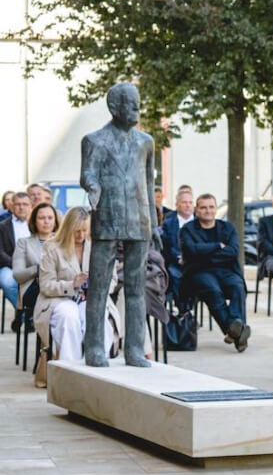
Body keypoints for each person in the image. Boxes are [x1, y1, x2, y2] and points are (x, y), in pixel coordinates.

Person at [80, 82, 160, 368]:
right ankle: (95, 348)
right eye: (132, 104)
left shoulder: (146, 142)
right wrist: (92, 187)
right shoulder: (95, 140)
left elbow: (149, 184)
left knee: (137, 288)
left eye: (139, 102)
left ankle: (135, 349)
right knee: (99, 287)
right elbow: (87, 173)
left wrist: (154, 221)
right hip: (107, 217)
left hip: (139, 220)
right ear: (114, 108)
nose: (138, 109)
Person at [34, 207, 120, 361]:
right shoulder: (52, 247)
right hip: (59, 300)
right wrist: (72, 284)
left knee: (95, 318)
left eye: (84, 230)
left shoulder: (98, 246)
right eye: (76, 231)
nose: (81, 235)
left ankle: (97, 366)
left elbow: (112, 280)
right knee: (69, 318)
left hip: (91, 298)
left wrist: (98, 286)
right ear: (68, 228)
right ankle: (70, 369)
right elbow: (46, 285)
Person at [180, 194, 250, 351]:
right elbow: (191, 251)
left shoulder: (227, 228)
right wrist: (218, 246)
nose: (207, 211)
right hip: (199, 272)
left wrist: (204, 254)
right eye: (203, 207)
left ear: (216, 209)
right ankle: (237, 333)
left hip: (227, 270)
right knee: (213, 290)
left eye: (211, 207)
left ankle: (234, 330)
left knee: (237, 286)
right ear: (196, 210)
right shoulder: (188, 230)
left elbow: (233, 251)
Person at [13, 202, 59, 324]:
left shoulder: (63, 242)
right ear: (34, 221)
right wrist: (39, 269)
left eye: (50, 218)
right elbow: (17, 275)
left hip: (58, 288)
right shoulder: (23, 243)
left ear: (55, 220)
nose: (46, 221)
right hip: (33, 289)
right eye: (41, 218)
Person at [161, 188, 194, 308]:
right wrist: (180, 258)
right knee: (176, 276)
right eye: (184, 202)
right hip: (176, 263)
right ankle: (183, 310)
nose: (188, 206)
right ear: (177, 204)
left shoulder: (199, 221)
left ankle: (188, 310)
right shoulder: (169, 223)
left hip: (196, 263)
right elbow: (167, 247)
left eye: (190, 203)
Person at [0, 192, 32, 315]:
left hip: (35, 266)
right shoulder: (2, 226)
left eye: (25, 204)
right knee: (8, 283)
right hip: (8, 266)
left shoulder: (37, 225)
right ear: (12, 206)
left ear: (30, 206)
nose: (21, 207)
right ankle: (25, 315)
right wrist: (16, 265)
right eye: (18, 204)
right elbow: (0, 252)